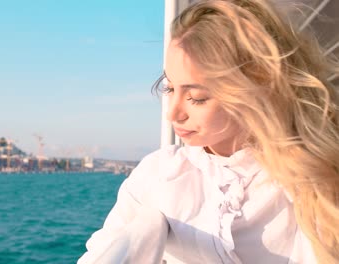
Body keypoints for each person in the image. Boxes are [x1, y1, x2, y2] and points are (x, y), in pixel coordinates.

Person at [78, 0, 339, 263]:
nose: (173, 113)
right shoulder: (158, 175)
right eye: (169, 88)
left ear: (257, 87)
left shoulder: (313, 183)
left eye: (197, 97)